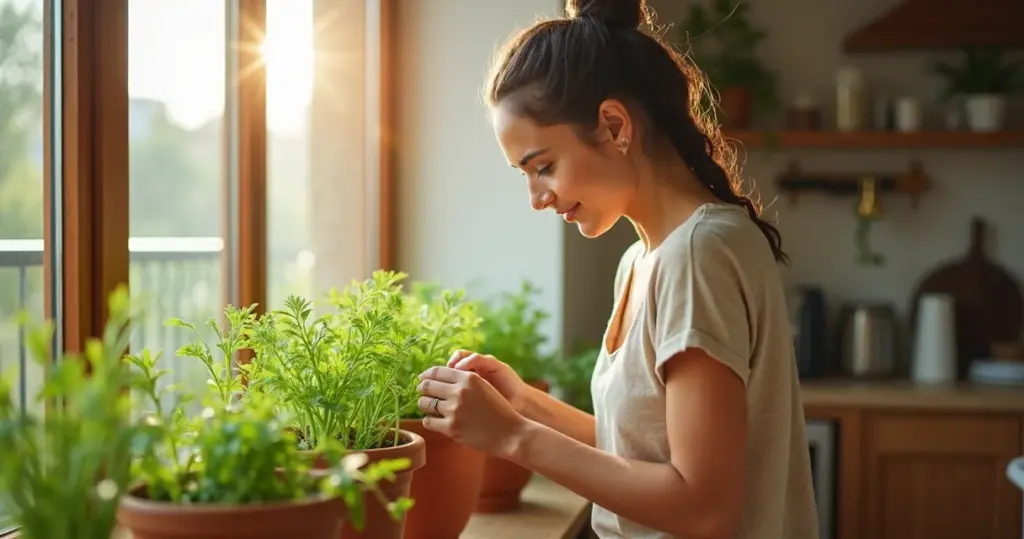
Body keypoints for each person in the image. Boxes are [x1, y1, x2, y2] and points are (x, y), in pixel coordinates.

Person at [415, 0, 819, 537]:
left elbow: (703, 507)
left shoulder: (697, 255)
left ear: (613, 125)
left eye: (544, 167)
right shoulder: (644, 259)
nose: (537, 198)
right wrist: (525, 403)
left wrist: (514, 436)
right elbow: (645, 454)